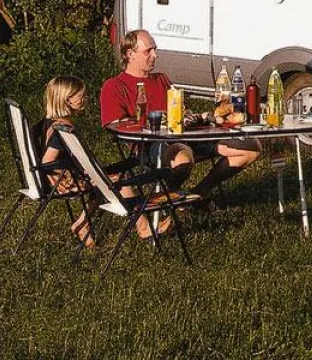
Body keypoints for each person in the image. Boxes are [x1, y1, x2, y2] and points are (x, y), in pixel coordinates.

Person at [100, 30, 261, 231]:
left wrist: (191, 115)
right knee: (183, 157)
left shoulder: (161, 80)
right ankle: (172, 199)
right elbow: (115, 124)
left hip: (188, 134)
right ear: (130, 54)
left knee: (251, 147)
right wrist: (157, 121)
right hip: (151, 145)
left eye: (155, 50)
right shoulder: (115, 86)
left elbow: (179, 108)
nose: (155, 56)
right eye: (149, 51)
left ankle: (196, 194)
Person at [36, 76, 100, 247]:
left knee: (112, 177)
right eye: (81, 96)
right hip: (69, 182)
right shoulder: (61, 129)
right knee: (116, 182)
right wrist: (62, 176)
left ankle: (82, 224)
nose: (85, 99)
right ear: (67, 100)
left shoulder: (47, 122)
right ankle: (81, 224)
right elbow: (47, 161)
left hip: (71, 177)